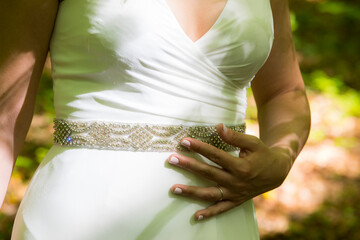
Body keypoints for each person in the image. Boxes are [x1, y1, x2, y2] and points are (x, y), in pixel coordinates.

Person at [0, 0, 310, 239]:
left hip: (218, 219)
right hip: (81, 214)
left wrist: (281, 159)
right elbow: (5, 116)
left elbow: (284, 91)